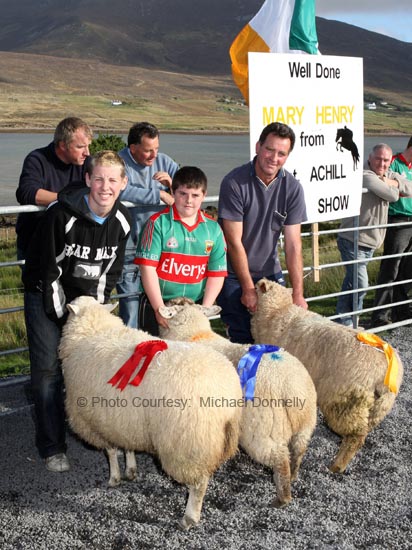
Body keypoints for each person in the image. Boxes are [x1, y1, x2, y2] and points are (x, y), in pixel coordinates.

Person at [22, 151, 131, 472]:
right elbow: (48, 271)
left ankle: (95, 433)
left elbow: (110, 273)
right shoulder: (61, 215)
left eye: (113, 180)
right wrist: (66, 319)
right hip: (47, 295)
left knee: (93, 366)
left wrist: (91, 314)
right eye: (98, 178)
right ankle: (52, 446)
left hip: (86, 301)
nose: (105, 186)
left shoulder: (123, 222)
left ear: (123, 183)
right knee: (47, 371)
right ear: (87, 180)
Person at [217, 122, 307, 344]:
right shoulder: (234, 183)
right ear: (258, 147)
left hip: (270, 274)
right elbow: (233, 240)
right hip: (233, 275)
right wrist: (248, 288)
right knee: (242, 340)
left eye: (281, 153)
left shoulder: (293, 188)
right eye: (269, 149)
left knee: (278, 339)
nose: (273, 158)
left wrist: (297, 293)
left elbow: (294, 245)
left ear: (287, 156)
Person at [134, 166, 227, 335]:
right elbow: (147, 268)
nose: (189, 200)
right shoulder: (156, 224)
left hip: (194, 307)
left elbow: (217, 273)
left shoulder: (214, 230)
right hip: (158, 304)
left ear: (204, 195)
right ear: (173, 192)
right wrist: (158, 308)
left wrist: (205, 309)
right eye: (183, 193)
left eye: (195, 195)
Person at [335, 144, 412, 327]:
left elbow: (409, 188)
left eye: (386, 160)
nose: (382, 163)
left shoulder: (384, 175)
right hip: (352, 239)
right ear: (369, 158)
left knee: (352, 283)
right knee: (361, 284)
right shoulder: (365, 175)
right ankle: (351, 322)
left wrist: (392, 182)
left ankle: (343, 320)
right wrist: (394, 184)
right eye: (378, 158)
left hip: (369, 242)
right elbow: (393, 196)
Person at [116, 122, 179, 328]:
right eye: (147, 150)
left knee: (162, 307)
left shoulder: (165, 162)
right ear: (132, 148)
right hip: (129, 250)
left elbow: (185, 190)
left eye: (156, 149)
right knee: (131, 311)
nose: (154, 156)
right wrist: (159, 194)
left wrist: (172, 186)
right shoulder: (119, 163)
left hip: (161, 248)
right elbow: (120, 190)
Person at [15, 116, 93, 261]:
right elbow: (27, 193)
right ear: (63, 145)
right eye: (80, 147)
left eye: (88, 146)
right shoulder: (37, 159)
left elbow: (97, 193)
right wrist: (69, 200)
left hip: (72, 245)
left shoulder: (87, 162)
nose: (87, 152)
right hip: (36, 245)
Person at [371, 137, 412, 327]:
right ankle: (380, 314)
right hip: (398, 219)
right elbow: (385, 184)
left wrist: (398, 185)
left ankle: (401, 310)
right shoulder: (393, 161)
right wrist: (398, 186)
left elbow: (401, 187)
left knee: (407, 268)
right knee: (391, 266)